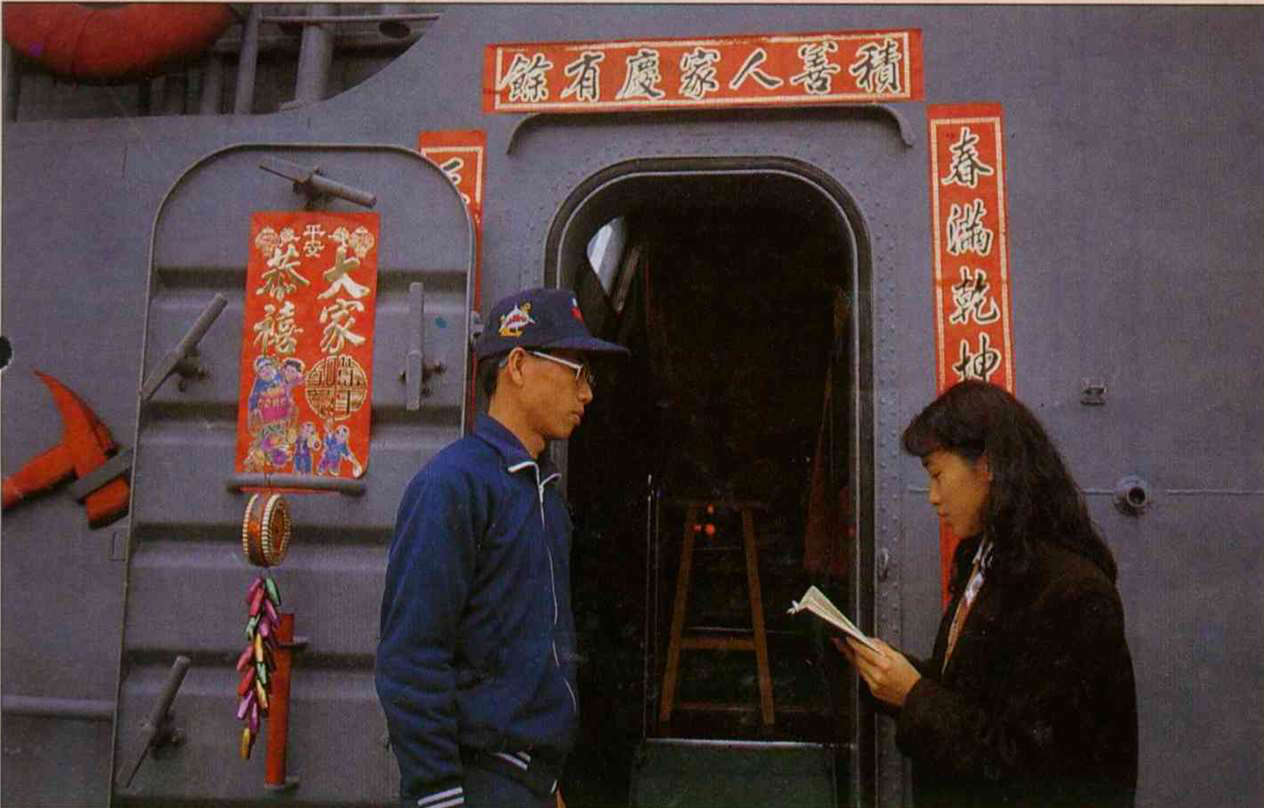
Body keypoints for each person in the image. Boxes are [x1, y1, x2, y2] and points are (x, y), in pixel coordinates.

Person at [376, 288, 627, 808]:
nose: (587, 394)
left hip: (531, 785)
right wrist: (438, 796)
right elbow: (411, 658)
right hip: (478, 787)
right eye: (577, 372)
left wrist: (548, 784)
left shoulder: (543, 493)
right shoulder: (453, 486)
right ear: (517, 366)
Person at [836, 380, 1137, 807]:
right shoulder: (990, 561)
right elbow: (977, 698)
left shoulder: (1073, 592)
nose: (933, 497)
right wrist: (890, 673)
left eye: (937, 475)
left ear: (989, 465)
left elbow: (1036, 767)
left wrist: (913, 695)